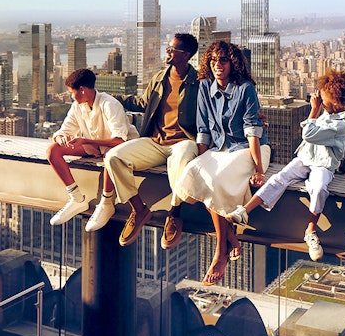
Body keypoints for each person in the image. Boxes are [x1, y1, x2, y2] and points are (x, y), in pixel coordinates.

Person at [226, 69, 345, 261]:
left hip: (323, 165)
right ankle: (244, 211)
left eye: (323, 96)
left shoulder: (340, 125)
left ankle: (310, 231)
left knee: (319, 187)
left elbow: (308, 134)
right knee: (280, 178)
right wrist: (319, 109)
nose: (318, 98)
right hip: (305, 158)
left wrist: (313, 109)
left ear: (336, 101)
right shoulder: (328, 114)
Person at [84, 33, 200, 249]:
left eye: (172, 48)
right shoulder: (159, 78)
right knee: (114, 157)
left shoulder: (199, 82)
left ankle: (174, 214)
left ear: (185, 55)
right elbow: (143, 103)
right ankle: (139, 209)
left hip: (184, 140)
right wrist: (107, 97)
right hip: (155, 141)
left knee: (182, 159)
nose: (168, 51)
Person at [175, 41, 270, 286]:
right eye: (214, 60)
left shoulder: (245, 88)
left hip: (249, 149)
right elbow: (204, 129)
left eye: (223, 60)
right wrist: (202, 158)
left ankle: (220, 251)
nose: (218, 65)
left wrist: (259, 170)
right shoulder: (205, 86)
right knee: (194, 173)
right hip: (219, 149)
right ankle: (230, 235)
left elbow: (252, 131)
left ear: (233, 63)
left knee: (216, 179)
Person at [47, 68, 139, 226]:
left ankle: (106, 203)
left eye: (71, 92)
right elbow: (64, 129)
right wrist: (61, 138)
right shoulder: (78, 106)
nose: (71, 96)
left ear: (81, 90)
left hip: (121, 149)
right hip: (95, 146)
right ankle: (76, 198)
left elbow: (119, 141)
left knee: (110, 155)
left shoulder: (110, 104)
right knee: (53, 150)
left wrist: (85, 141)